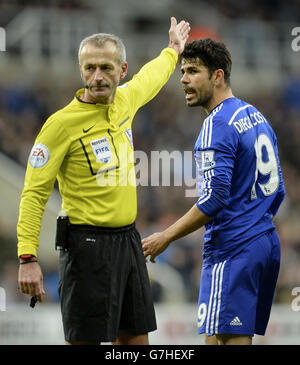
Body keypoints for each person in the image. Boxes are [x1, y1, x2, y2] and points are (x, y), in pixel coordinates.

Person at [17, 17, 190, 345]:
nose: (97, 77)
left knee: (136, 343)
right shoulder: (60, 126)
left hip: (128, 243)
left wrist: (172, 50)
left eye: (106, 68)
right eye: (90, 68)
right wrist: (27, 257)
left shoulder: (125, 100)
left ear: (122, 69)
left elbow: (151, 77)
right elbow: (34, 193)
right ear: (81, 70)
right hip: (86, 248)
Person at [142, 38, 285, 345]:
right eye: (182, 72)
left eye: (193, 71)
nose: (183, 79)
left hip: (233, 248)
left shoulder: (216, 125)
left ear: (217, 76)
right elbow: (279, 189)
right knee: (219, 336)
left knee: (226, 338)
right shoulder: (256, 116)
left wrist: (165, 236)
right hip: (265, 243)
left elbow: (214, 199)